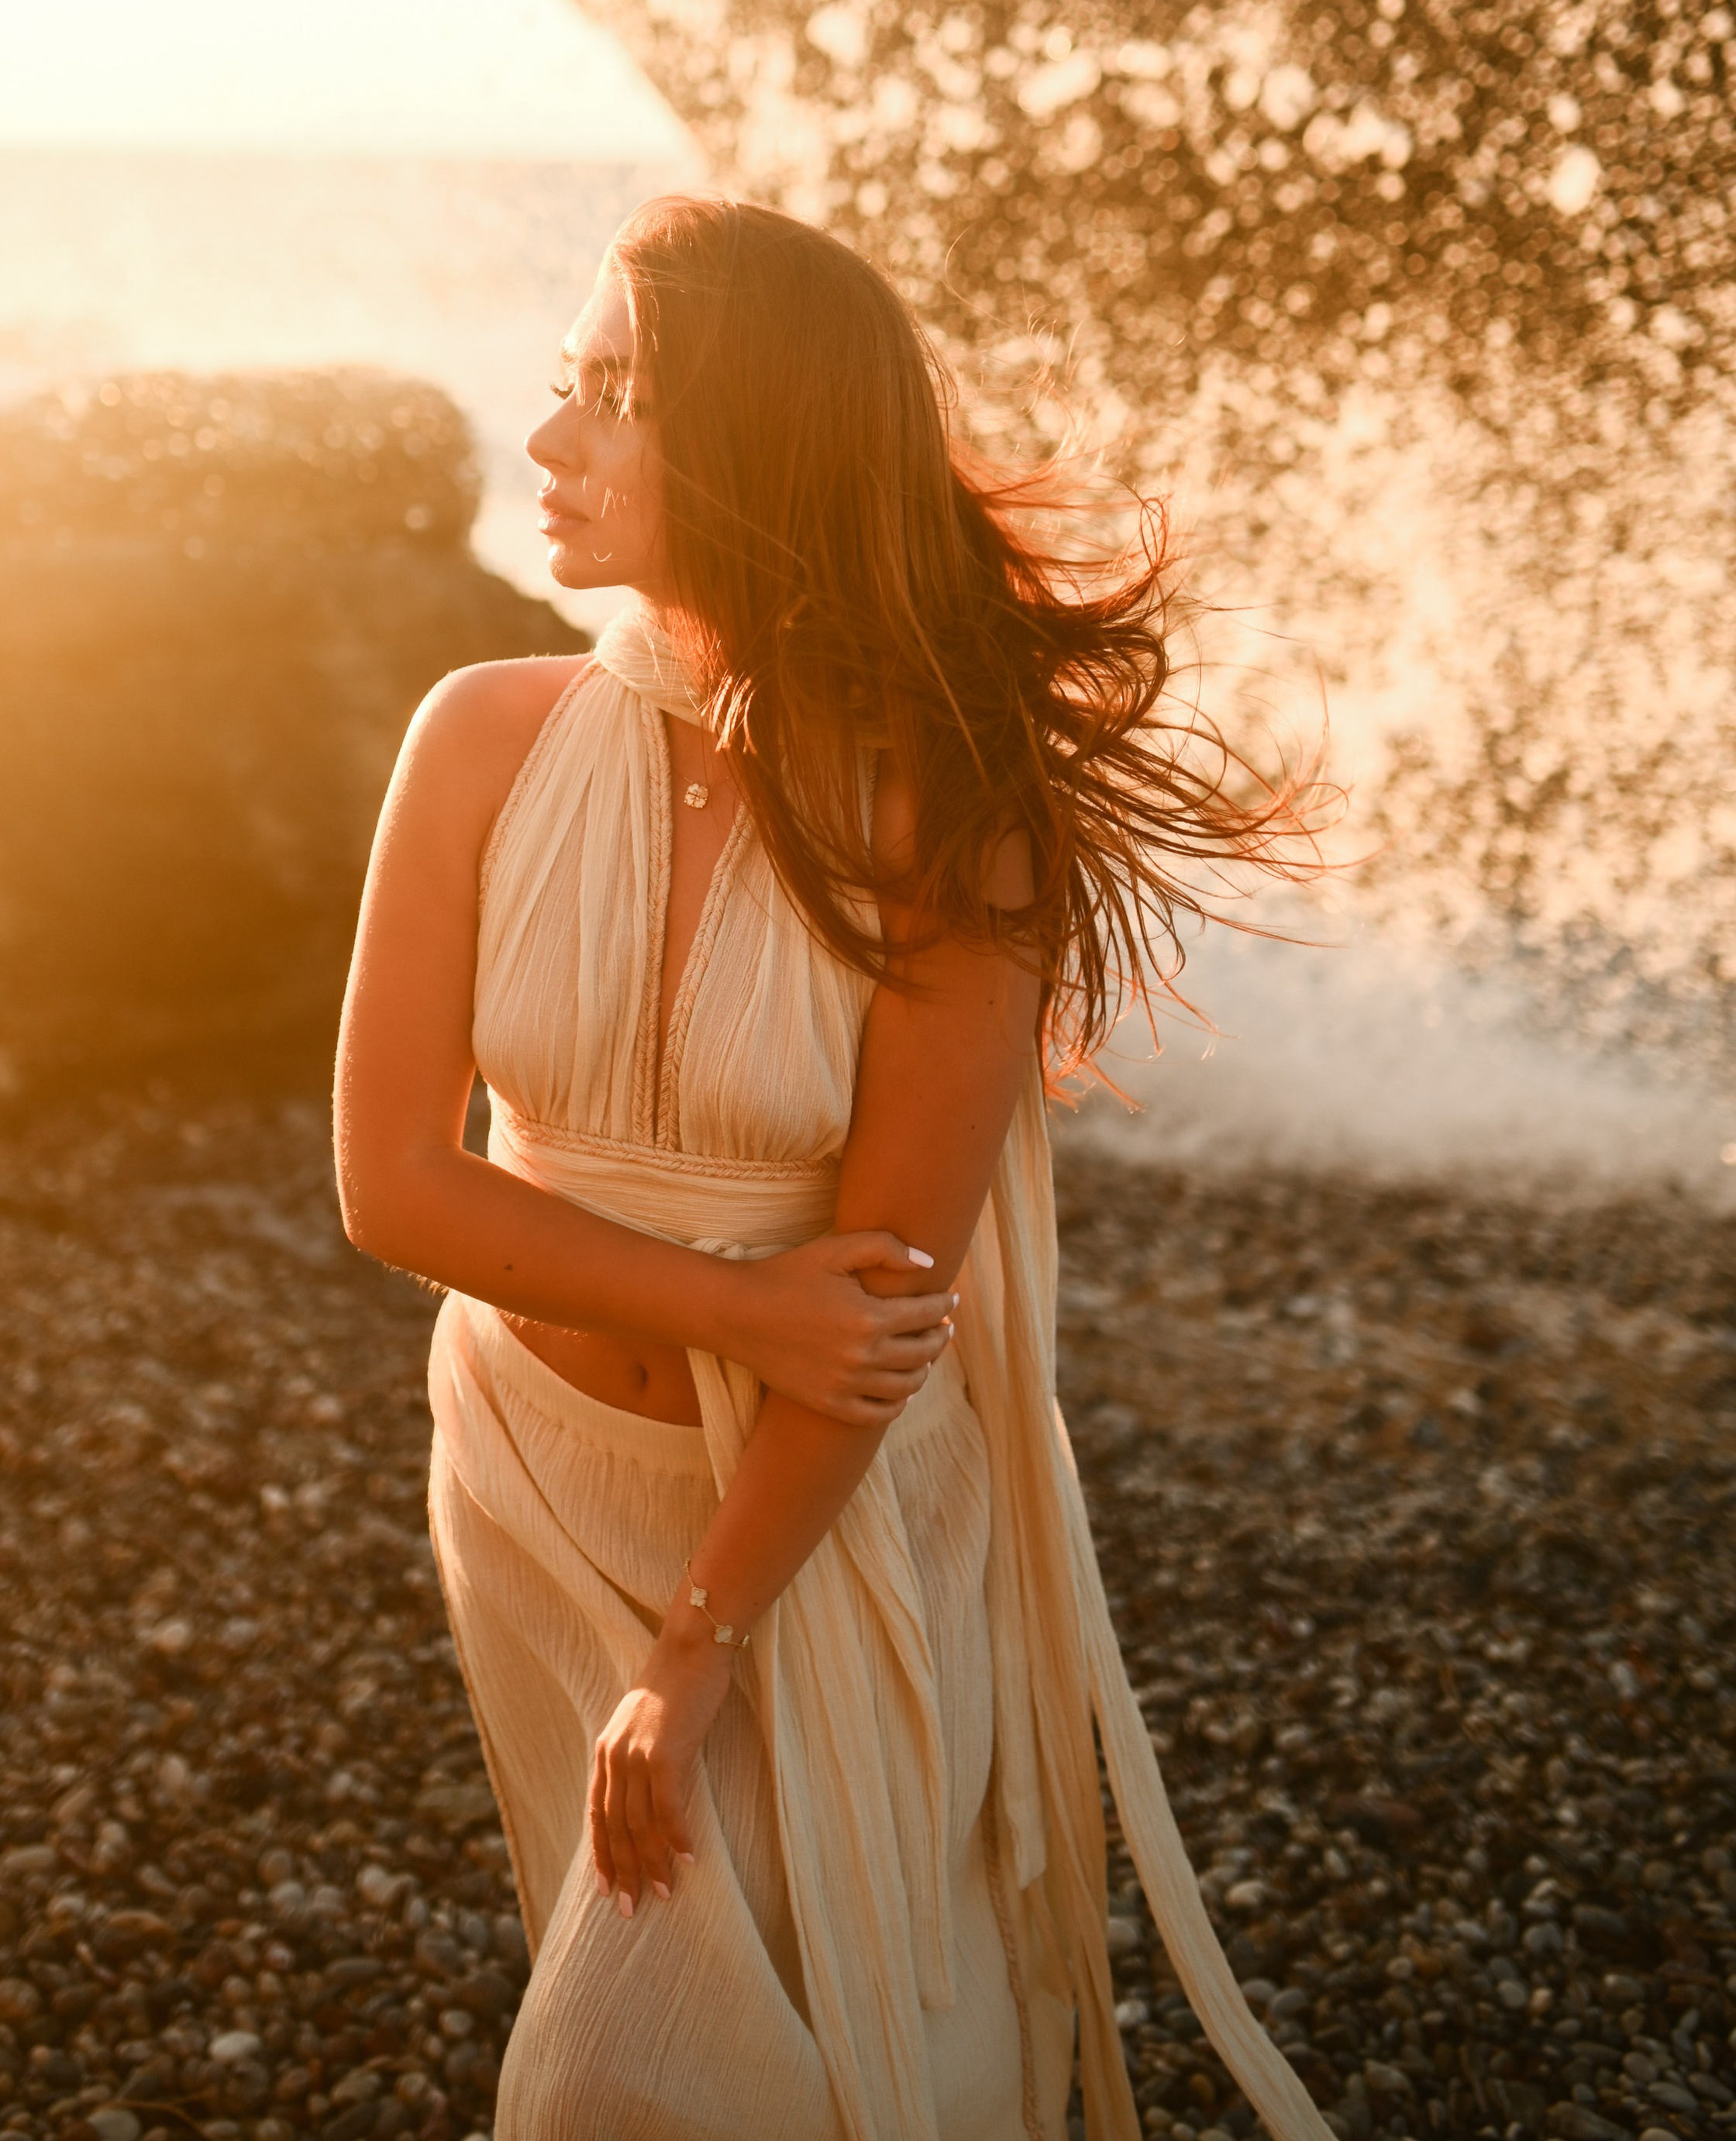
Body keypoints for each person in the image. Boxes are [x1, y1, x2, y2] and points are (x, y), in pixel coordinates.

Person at [335, 195, 1328, 2141]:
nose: (549, 440)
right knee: (655, 2004)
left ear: (759, 438)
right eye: (562, 384)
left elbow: (875, 1304)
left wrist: (698, 1641)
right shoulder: (478, 738)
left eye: (614, 394)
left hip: (814, 1508)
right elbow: (391, 1186)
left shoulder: (951, 820)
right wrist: (726, 1301)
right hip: (533, 1476)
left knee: (834, 2027)